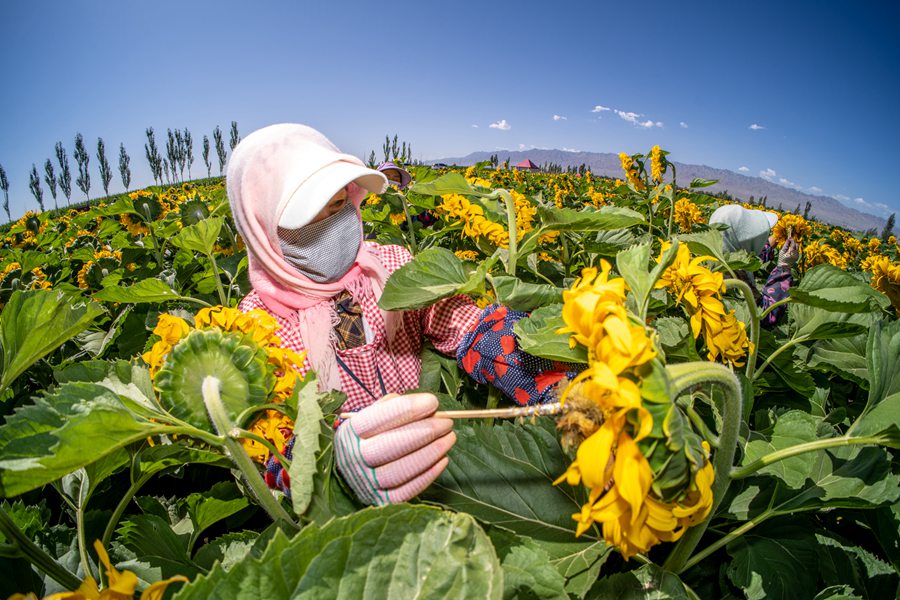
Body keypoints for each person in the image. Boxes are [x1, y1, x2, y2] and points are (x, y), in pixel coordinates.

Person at [226, 123, 572, 506]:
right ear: (260, 228)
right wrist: (328, 463)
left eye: (340, 205)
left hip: (432, 463)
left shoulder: (390, 267)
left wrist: (550, 370)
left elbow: (464, 325)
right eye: (310, 221)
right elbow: (262, 449)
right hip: (349, 522)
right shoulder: (254, 328)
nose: (334, 228)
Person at [708, 205, 799, 326]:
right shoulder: (734, 279)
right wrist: (784, 267)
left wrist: (775, 239)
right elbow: (766, 314)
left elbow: (752, 258)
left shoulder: (715, 257)